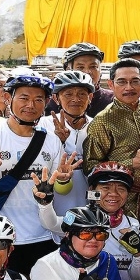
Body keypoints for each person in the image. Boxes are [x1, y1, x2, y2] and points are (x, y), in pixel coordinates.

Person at [0, 73, 73, 275]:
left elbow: (61, 190)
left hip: (43, 234)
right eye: (23, 98)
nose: (31, 105)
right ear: (7, 98)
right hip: (0, 237)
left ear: (47, 103)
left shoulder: (51, 141)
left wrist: (64, 180)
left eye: (38, 99)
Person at [84, 58, 140, 234]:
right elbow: (90, 167)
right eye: (122, 82)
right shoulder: (103, 121)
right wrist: (131, 163)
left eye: (135, 81)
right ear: (111, 84)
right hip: (120, 202)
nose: (128, 87)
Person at [41, 71, 94, 212]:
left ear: (90, 97)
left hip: (88, 201)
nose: (76, 99)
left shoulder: (98, 126)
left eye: (82, 94)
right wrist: (58, 141)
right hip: (55, 201)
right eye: (68, 94)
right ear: (56, 98)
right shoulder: (43, 125)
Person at [62, 42, 115, 118]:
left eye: (93, 66)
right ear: (68, 70)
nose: (87, 72)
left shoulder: (113, 100)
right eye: (80, 67)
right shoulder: (56, 102)